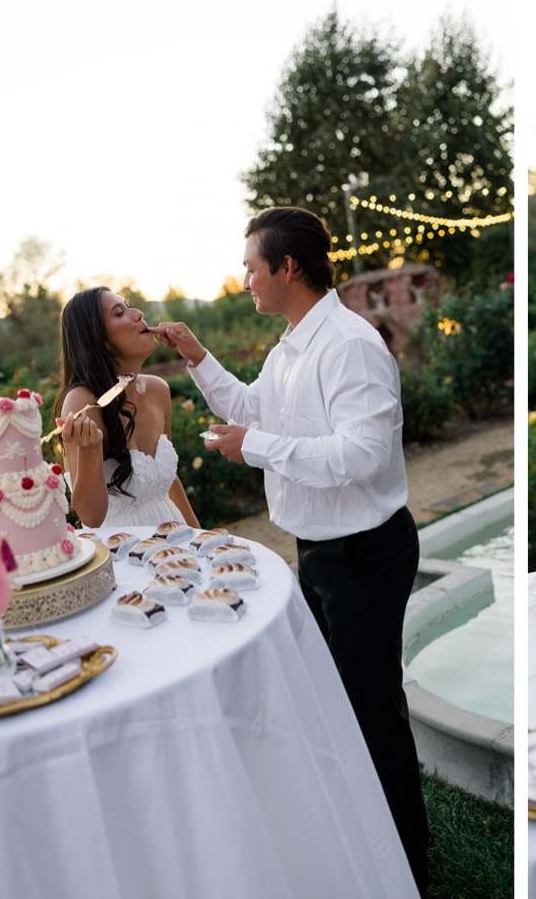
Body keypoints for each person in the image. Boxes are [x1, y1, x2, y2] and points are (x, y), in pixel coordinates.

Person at [151, 207, 431, 890]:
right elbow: (255, 408)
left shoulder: (351, 343)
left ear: (288, 267)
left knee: (374, 713)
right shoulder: (288, 348)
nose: (244, 278)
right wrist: (197, 358)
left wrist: (259, 448)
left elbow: (362, 456)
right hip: (321, 551)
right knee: (336, 705)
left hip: (365, 551)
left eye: (252, 266)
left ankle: (410, 865)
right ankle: (366, 845)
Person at [55, 287, 201, 529]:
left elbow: (167, 481)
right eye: (119, 312)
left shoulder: (158, 390)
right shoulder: (81, 402)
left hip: (176, 538)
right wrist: (90, 449)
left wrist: (201, 535)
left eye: (130, 306)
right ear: (97, 338)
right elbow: (91, 518)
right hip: (123, 550)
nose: (138, 314)